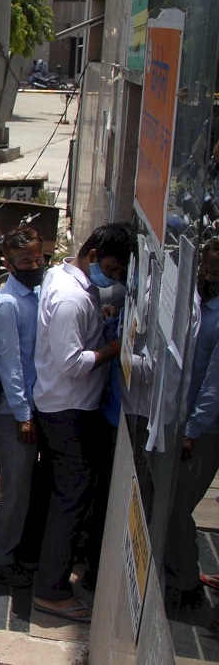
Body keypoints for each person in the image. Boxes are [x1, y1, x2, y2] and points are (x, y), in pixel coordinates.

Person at [31, 223, 132, 623]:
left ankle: (51, 572)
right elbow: (71, 363)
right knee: (70, 500)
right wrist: (111, 349)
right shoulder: (71, 298)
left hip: (66, 406)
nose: (115, 278)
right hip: (67, 409)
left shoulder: (63, 276)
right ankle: (51, 590)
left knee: (66, 496)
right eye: (111, 267)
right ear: (92, 257)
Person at [0, 226, 45, 588]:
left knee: (24, 487)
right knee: (15, 487)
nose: (34, 265)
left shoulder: (35, 295)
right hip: (12, 412)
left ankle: (11, 549)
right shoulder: (8, 305)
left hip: (30, 407)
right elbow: (11, 365)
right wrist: (23, 415)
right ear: (8, 264)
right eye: (26, 261)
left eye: (38, 259)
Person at [167, 238, 219, 604]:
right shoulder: (200, 305)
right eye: (204, 270)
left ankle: (186, 582)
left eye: (214, 273)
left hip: (204, 430)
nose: (206, 277)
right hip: (184, 420)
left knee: (180, 505)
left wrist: (193, 430)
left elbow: (214, 384)